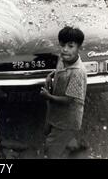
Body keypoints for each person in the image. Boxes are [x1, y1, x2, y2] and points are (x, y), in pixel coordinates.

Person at [40, 26, 87, 159]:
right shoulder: (63, 58)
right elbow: (60, 71)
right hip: (56, 112)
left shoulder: (77, 72)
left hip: (68, 118)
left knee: (51, 147)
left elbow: (69, 100)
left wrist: (48, 96)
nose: (65, 49)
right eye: (62, 45)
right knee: (51, 132)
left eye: (70, 46)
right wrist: (51, 75)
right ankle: (71, 146)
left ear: (79, 48)